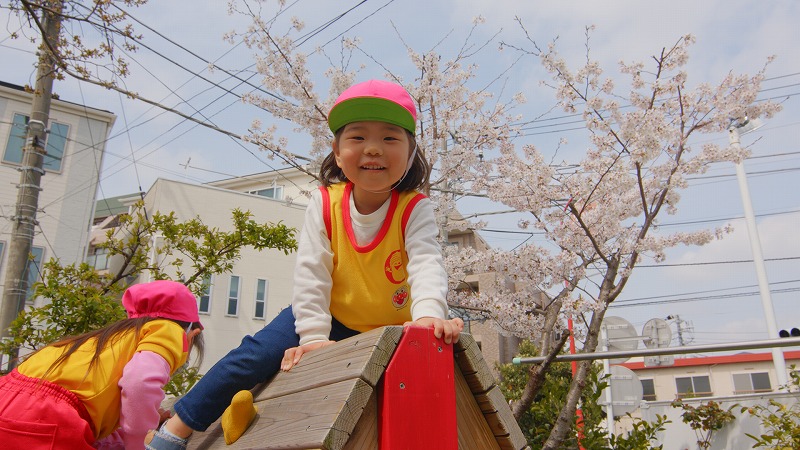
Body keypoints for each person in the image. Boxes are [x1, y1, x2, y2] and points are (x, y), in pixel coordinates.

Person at [148, 79, 464, 449]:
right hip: (327, 314)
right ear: (337, 149)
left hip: (389, 326)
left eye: (391, 139)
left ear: (411, 152)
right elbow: (312, 272)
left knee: (411, 378)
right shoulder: (325, 203)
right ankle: (177, 429)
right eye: (358, 137)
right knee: (255, 354)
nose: (374, 149)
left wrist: (428, 315)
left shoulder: (414, 208)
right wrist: (314, 336)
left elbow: (426, 262)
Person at [0, 279, 204, 450]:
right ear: (192, 334)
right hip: (48, 415)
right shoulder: (169, 330)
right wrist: (138, 442)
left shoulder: (106, 341)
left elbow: (91, 427)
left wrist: (133, 429)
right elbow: (139, 382)